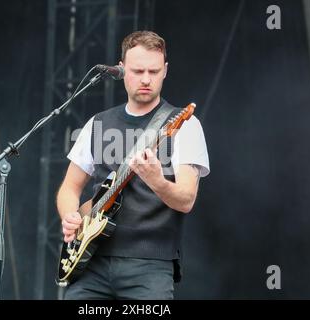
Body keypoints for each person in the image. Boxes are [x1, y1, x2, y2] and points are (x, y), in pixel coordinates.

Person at [56, 30, 210, 300]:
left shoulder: (184, 124)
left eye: (154, 71)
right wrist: (70, 216)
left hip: (149, 267)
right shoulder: (97, 123)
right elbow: (69, 188)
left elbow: (186, 200)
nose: (146, 79)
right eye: (138, 71)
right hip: (91, 263)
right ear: (122, 69)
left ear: (165, 71)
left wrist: (158, 181)